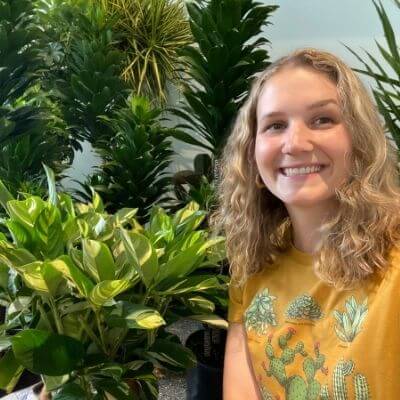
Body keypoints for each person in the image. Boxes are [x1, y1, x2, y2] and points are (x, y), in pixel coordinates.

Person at [209, 48, 400, 399]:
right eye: (275, 125)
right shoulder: (252, 264)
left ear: (358, 138)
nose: (295, 143)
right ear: (252, 151)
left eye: (322, 120)